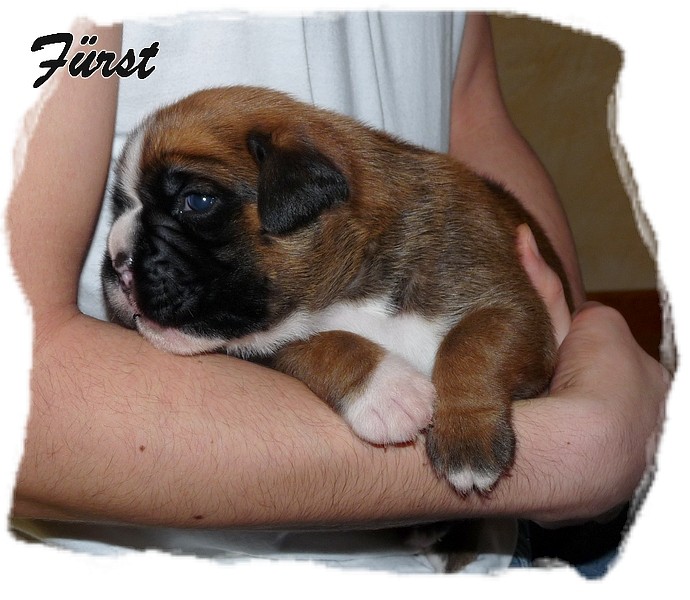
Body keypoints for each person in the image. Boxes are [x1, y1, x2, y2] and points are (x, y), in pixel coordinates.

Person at [8, 13, 669, 574]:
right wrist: (566, 453)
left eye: (196, 203)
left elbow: (472, 107)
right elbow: (25, 398)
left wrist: (577, 350)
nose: (122, 249)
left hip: (497, 552)